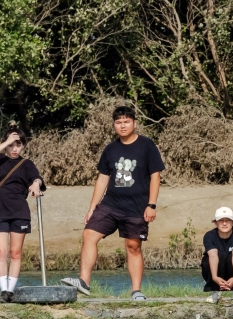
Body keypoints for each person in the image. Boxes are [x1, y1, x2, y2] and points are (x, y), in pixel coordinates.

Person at [67, 104, 164, 301]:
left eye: (126, 121)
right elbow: (102, 178)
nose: (122, 125)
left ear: (134, 123)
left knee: (133, 246)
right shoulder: (110, 149)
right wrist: (92, 207)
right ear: (114, 125)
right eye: (118, 122)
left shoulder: (147, 146)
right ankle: (84, 282)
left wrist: (151, 204)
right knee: (89, 234)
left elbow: (155, 175)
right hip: (110, 204)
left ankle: (136, 291)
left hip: (137, 207)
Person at [0, 128, 45, 297]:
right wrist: (6, 142)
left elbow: (37, 177)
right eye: (12, 145)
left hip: (19, 211)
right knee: (1, 251)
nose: (14, 149)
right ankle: (3, 290)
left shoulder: (26, 164)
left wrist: (36, 184)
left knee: (15, 252)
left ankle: (11, 290)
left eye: (18, 145)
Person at [203, 206, 233, 304]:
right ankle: (216, 290)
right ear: (215, 222)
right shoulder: (209, 236)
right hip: (217, 269)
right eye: (221, 220)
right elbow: (213, 256)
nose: (224, 223)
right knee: (207, 259)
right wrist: (214, 277)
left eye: (228, 220)